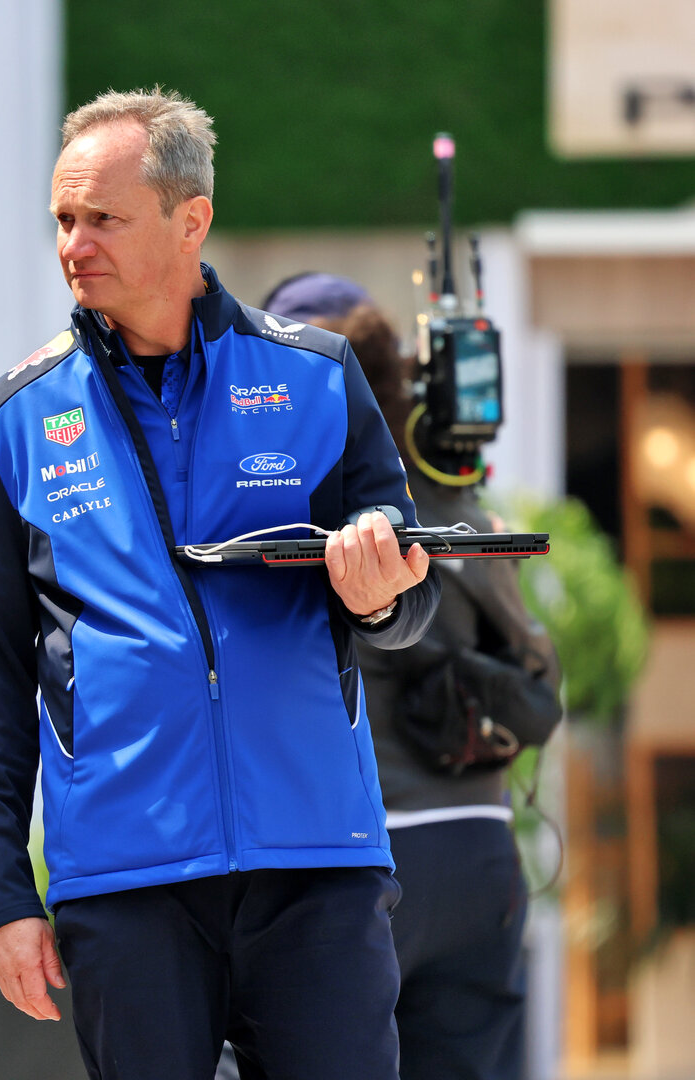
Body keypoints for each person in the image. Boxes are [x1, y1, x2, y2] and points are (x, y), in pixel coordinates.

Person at [0, 88, 442, 1080]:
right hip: (123, 878)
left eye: (104, 217)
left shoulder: (317, 378)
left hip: (317, 862)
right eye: (63, 219)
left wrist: (380, 590)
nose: (74, 244)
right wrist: (1, 899)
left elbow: (410, 599)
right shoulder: (11, 422)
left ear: (190, 219)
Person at [261, 273, 562, 1080]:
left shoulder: (277, 506)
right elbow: (539, 673)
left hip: (351, 859)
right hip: (477, 852)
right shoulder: (464, 510)